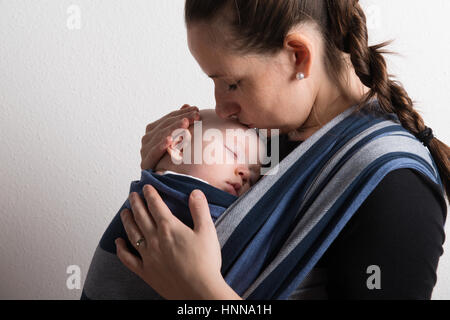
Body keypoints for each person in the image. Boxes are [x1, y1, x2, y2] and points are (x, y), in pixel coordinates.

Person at [113, 0, 449, 299]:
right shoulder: (265, 136)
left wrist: (199, 293)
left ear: (297, 56)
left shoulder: (397, 190)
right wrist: (165, 177)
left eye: (232, 83)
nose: (221, 107)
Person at [81, 109, 266, 299]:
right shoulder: (178, 196)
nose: (244, 172)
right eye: (233, 152)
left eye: (254, 177)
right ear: (179, 145)